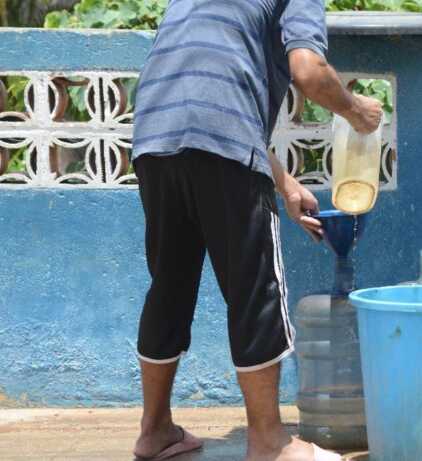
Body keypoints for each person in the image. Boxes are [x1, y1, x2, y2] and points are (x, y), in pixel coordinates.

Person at [128, 0, 383, 459]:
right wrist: (355, 110)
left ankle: (155, 431)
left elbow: (205, 101)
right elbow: (308, 71)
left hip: (153, 134)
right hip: (219, 130)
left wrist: (284, 186)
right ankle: (269, 441)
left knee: (169, 285)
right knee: (256, 290)